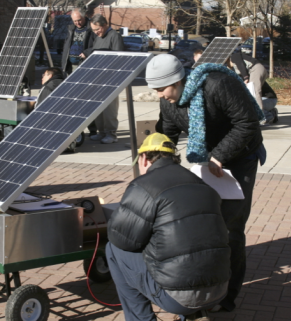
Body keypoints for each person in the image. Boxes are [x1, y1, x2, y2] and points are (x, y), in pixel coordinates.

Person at [145, 54, 266, 313]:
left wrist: (220, 156)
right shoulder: (169, 102)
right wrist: (159, 166)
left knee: (230, 227)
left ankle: (226, 296)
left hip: (240, 156)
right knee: (203, 223)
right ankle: (206, 285)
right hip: (207, 161)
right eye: (154, 91)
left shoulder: (218, 84)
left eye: (161, 89)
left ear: (177, 81)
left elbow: (248, 123)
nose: (160, 95)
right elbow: (168, 134)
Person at [106, 133, 231, 321]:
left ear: (144, 158)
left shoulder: (144, 185)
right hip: (220, 290)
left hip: (177, 297)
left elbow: (122, 239)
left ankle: (141, 319)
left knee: (113, 249)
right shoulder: (203, 185)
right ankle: (194, 314)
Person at [82, 14, 124, 144]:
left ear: (105, 25)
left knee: (109, 109)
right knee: (98, 107)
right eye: (93, 30)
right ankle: (101, 132)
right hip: (97, 77)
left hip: (110, 79)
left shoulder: (114, 36)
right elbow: (96, 51)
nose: (96, 32)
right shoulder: (98, 37)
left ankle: (111, 134)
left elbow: (119, 57)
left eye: (97, 29)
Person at [61, 8, 97, 135]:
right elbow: (66, 47)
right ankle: (75, 128)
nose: (78, 23)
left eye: (79, 20)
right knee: (72, 100)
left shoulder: (91, 28)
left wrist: (87, 52)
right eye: (75, 21)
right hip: (71, 67)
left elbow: (97, 45)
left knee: (86, 99)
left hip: (84, 67)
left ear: (84, 17)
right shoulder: (71, 29)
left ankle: (93, 128)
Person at [228, 52, 268, 119]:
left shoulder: (234, 56)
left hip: (255, 68)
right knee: (251, 94)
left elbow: (241, 65)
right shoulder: (232, 66)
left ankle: (260, 118)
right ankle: (266, 114)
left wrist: (245, 77)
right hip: (255, 70)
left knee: (254, 92)